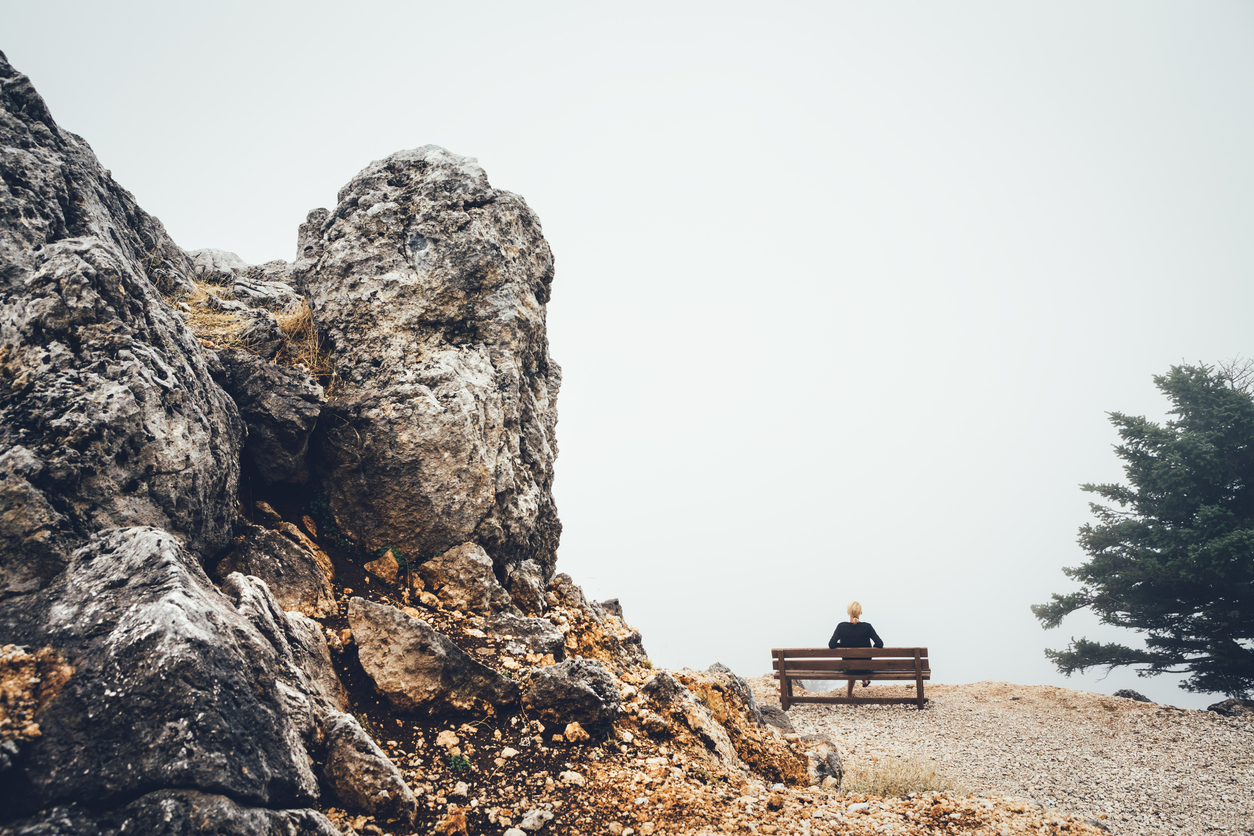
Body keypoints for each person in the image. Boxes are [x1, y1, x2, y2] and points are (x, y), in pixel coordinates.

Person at [827, 601, 884, 698]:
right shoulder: (867, 627)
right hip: (865, 668)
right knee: (858, 663)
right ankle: (864, 680)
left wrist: (843, 645)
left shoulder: (841, 627)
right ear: (860, 612)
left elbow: (831, 644)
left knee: (852, 664)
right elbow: (880, 644)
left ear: (848, 612)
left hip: (848, 668)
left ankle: (849, 694)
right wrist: (871, 648)